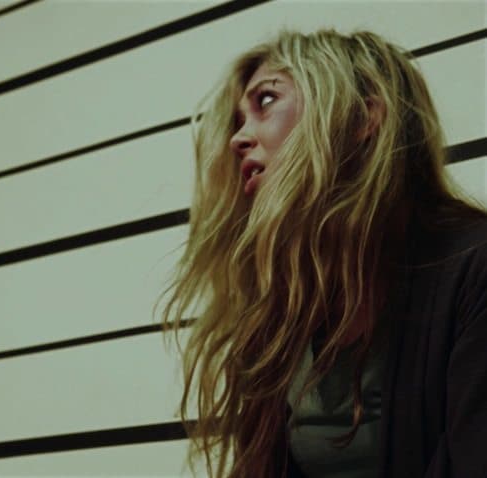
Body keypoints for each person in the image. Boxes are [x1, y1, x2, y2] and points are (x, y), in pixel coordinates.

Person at [157, 28, 487, 478]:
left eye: (266, 101)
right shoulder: (283, 309)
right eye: (237, 121)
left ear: (362, 118)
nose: (238, 138)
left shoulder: (474, 268)